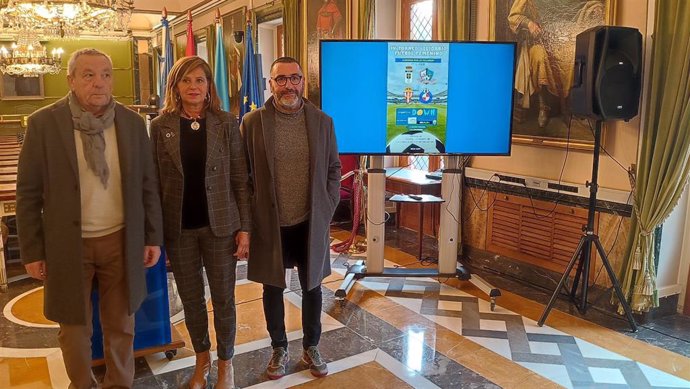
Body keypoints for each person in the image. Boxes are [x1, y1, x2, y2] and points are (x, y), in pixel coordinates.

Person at [16, 48, 163, 389]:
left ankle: (119, 384)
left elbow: (147, 183)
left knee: (121, 325)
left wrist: (152, 236)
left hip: (121, 241)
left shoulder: (130, 122)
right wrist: (32, 252)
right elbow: (28, 194)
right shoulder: (44, 124)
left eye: (106, 74)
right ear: (70, 80)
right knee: (74, 329)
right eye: (88, 75)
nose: (99, 83)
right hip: (67, 245)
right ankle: (81, 385)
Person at [150, 56, 251, 389]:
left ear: (210, 86)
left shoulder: (225, 121)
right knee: (192, 301)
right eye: (186, 81)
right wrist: (157, 235)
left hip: (221, 227)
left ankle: (226, 364)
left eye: (200, 80)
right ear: (175, 86)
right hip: (179, 230)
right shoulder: (160, 125)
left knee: (223, 299)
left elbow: (240, 177)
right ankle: (201, 360)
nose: (193, 87)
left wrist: (245, 228)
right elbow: (154, 182)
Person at [240, 56, 341, 380]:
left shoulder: (322, 121)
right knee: (272, 288)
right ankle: (279, 348)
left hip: (310, 222)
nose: (288, 85)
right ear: (271, 84)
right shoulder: (252, 122)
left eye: (294, 78)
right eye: (280, 79)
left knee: (312, 287)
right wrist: (248, 219)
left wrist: (327, 205)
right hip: (270, 224)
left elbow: (333, 169)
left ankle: (312, 345)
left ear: (303, 82)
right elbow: (243, 175)